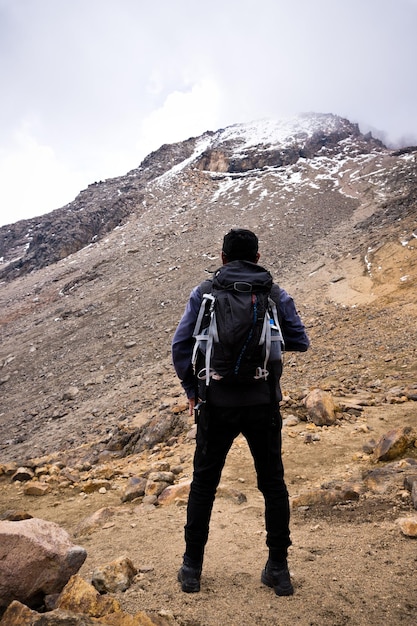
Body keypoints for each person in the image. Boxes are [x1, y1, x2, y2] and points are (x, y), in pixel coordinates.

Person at [171, 228, 309, 596]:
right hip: (262, 403)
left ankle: (191, 569)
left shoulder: (204, 293)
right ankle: (278, 569)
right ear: (258, 258)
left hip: (215, 404)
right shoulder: (274, 293)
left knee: (203, 484)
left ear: (222, 258)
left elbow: (181, 345)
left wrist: (192, 391)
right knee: (272, 484)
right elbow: (300, 340)